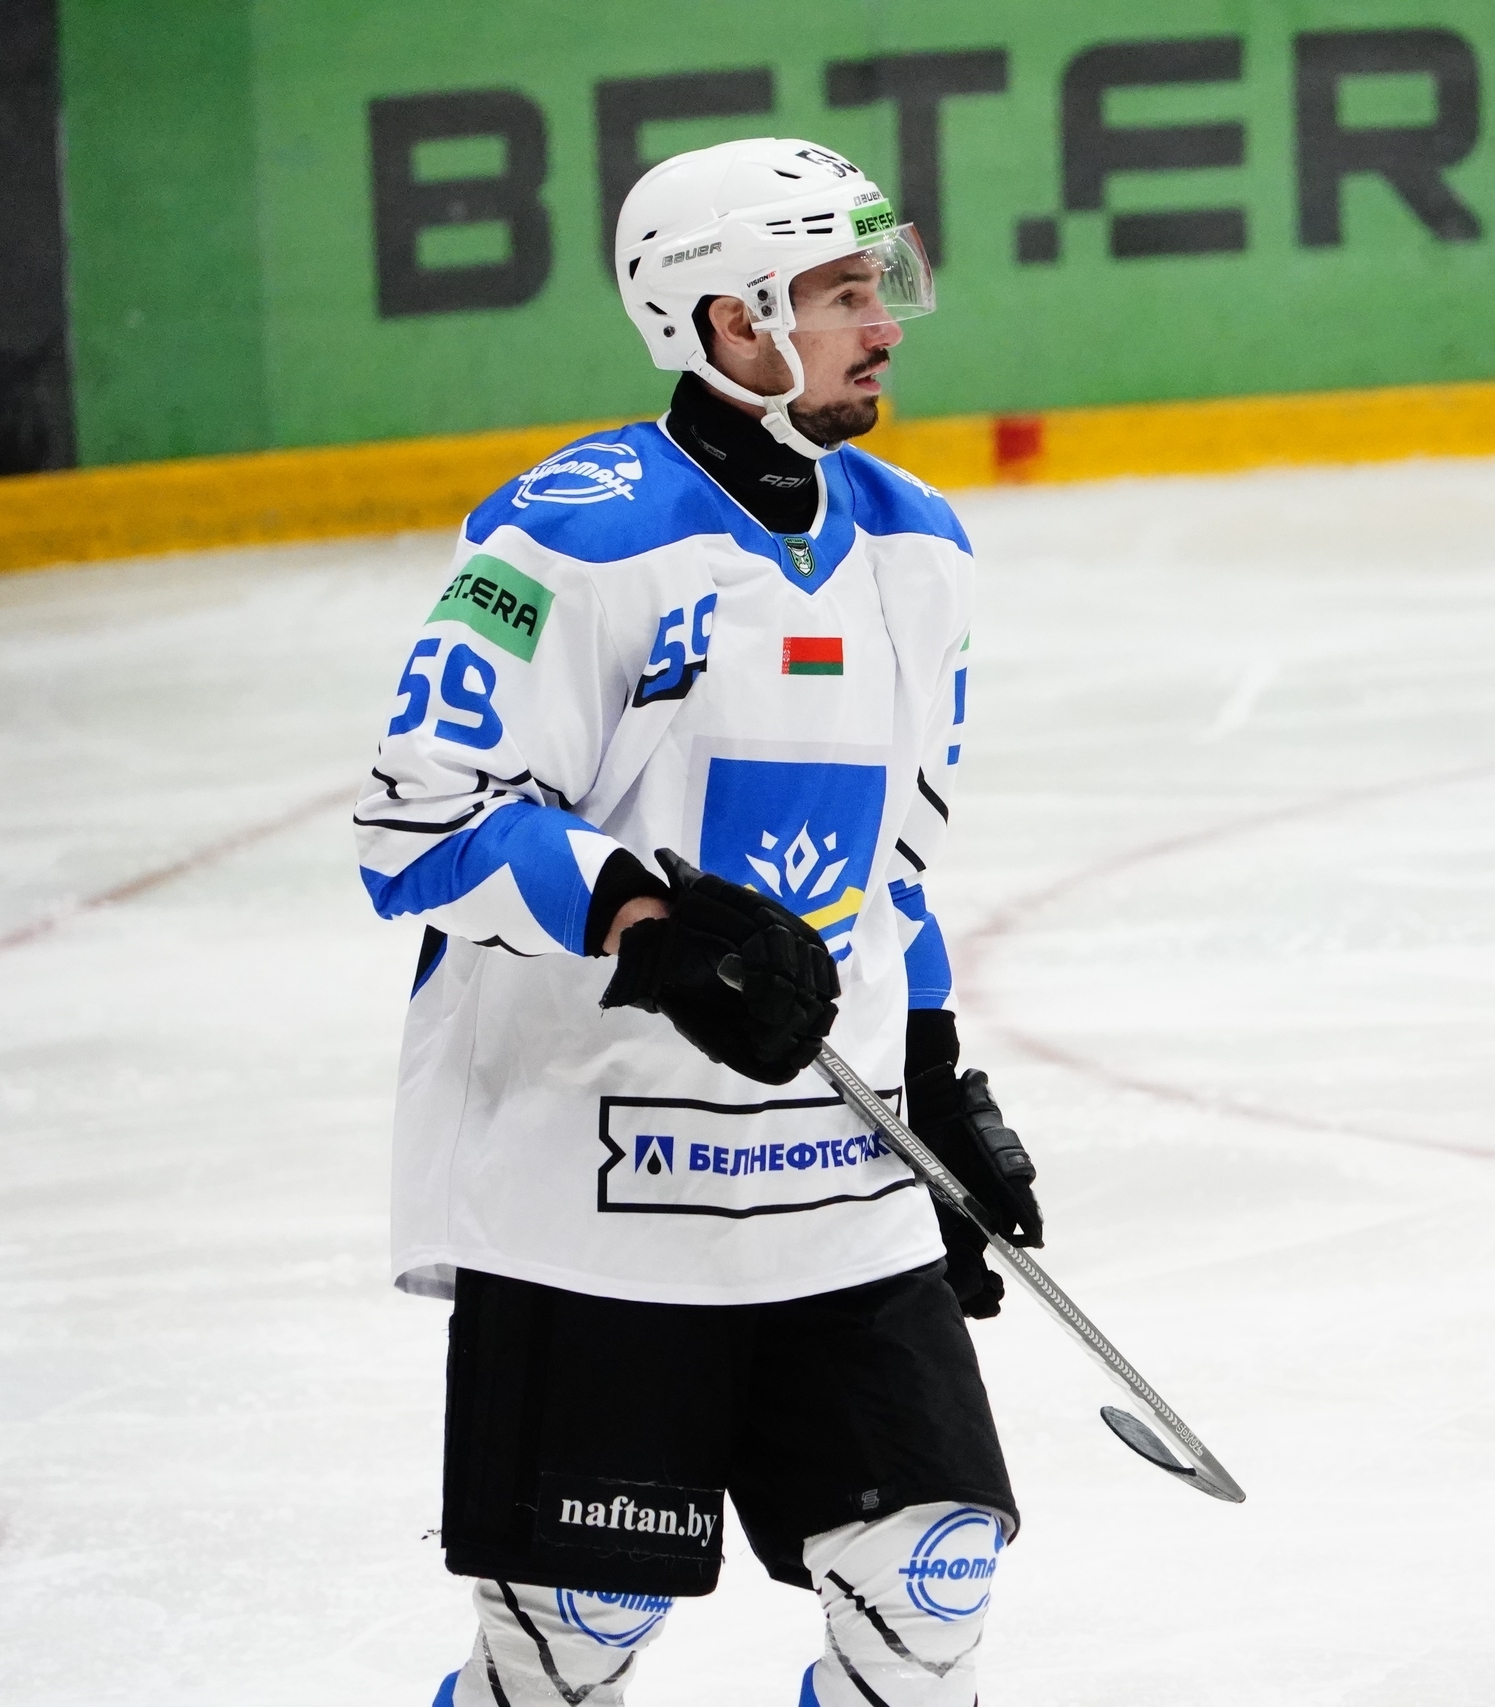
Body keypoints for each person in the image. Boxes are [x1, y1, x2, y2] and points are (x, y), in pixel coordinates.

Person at [352, 138, 1045, 1707]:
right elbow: (418, 829)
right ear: (733, 320)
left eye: (880, 287)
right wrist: (644, 921)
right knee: (572, 1638)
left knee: (930, 1588)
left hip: (835, 1183)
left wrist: (937, 1085)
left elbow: (894, 873)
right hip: (595, 1189)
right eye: (843, 294)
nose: (885, 325)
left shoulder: (919, 546)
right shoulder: (571, 536)